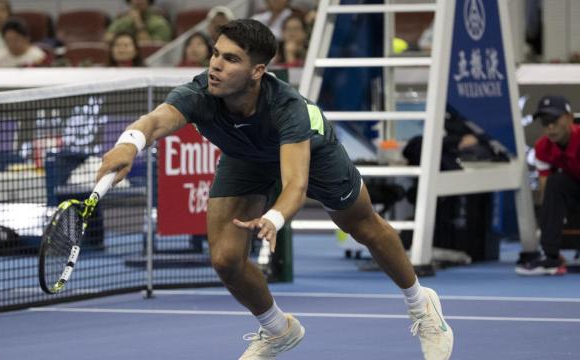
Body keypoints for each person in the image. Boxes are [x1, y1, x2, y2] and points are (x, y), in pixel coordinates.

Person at [96, 19, 453, 359]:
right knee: (225, 260)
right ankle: (278, 329)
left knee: (362, 226)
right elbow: (157, 120)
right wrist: (129, 144)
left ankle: (420, 302)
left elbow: (295, 184)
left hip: (312, 152)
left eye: (231, 59)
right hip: (246, 158)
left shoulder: (289, 109)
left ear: (258, 71)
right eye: (216, 54)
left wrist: (274, 218)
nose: (216, 66)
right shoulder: (199, 92)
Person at [516, 95, 579, 276]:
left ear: (569, 118)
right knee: (555, 183)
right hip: (574, 191)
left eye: (555, 120)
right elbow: (545, 190)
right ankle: (551, 257)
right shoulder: (543, 147)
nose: (550, 127)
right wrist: (546, 224)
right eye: (545, 122)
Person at [105, 0, 172, 46]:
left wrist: (138, 24)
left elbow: (149, 48)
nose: (138, 1)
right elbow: (107, 39)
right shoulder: (123, 20)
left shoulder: (160, 23)